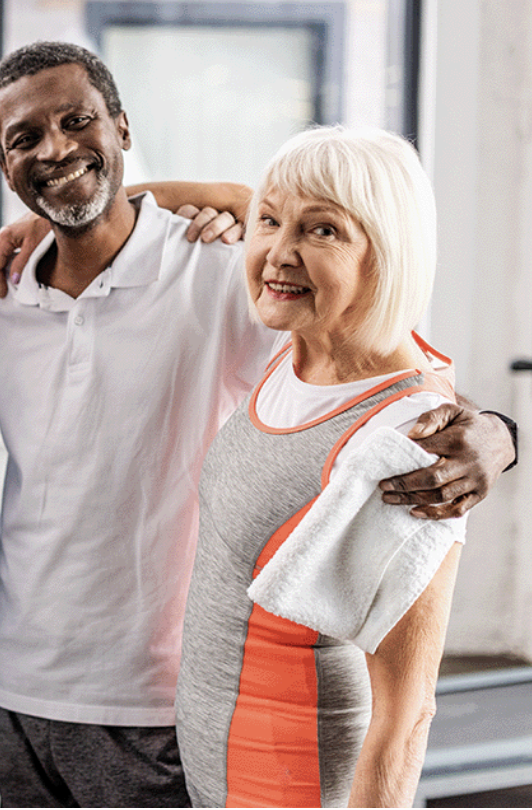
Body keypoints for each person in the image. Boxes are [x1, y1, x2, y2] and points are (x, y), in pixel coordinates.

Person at [0, 41, 516, 807]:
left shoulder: (219, 268)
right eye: (26, 138)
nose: (55, 148)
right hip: (14, 685)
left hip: (158, 698)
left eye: (78, 120)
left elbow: (373, 344)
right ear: (4, 164)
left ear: (122, 126)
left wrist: (494, 431)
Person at [175, 126, 468, 807]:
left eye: (323, 231)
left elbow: (406, 716)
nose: (279, 252)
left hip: (293, 784)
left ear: (386, 253)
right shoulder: (299, 347)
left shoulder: (405, 440)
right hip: (212, 772)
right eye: (270, 222)